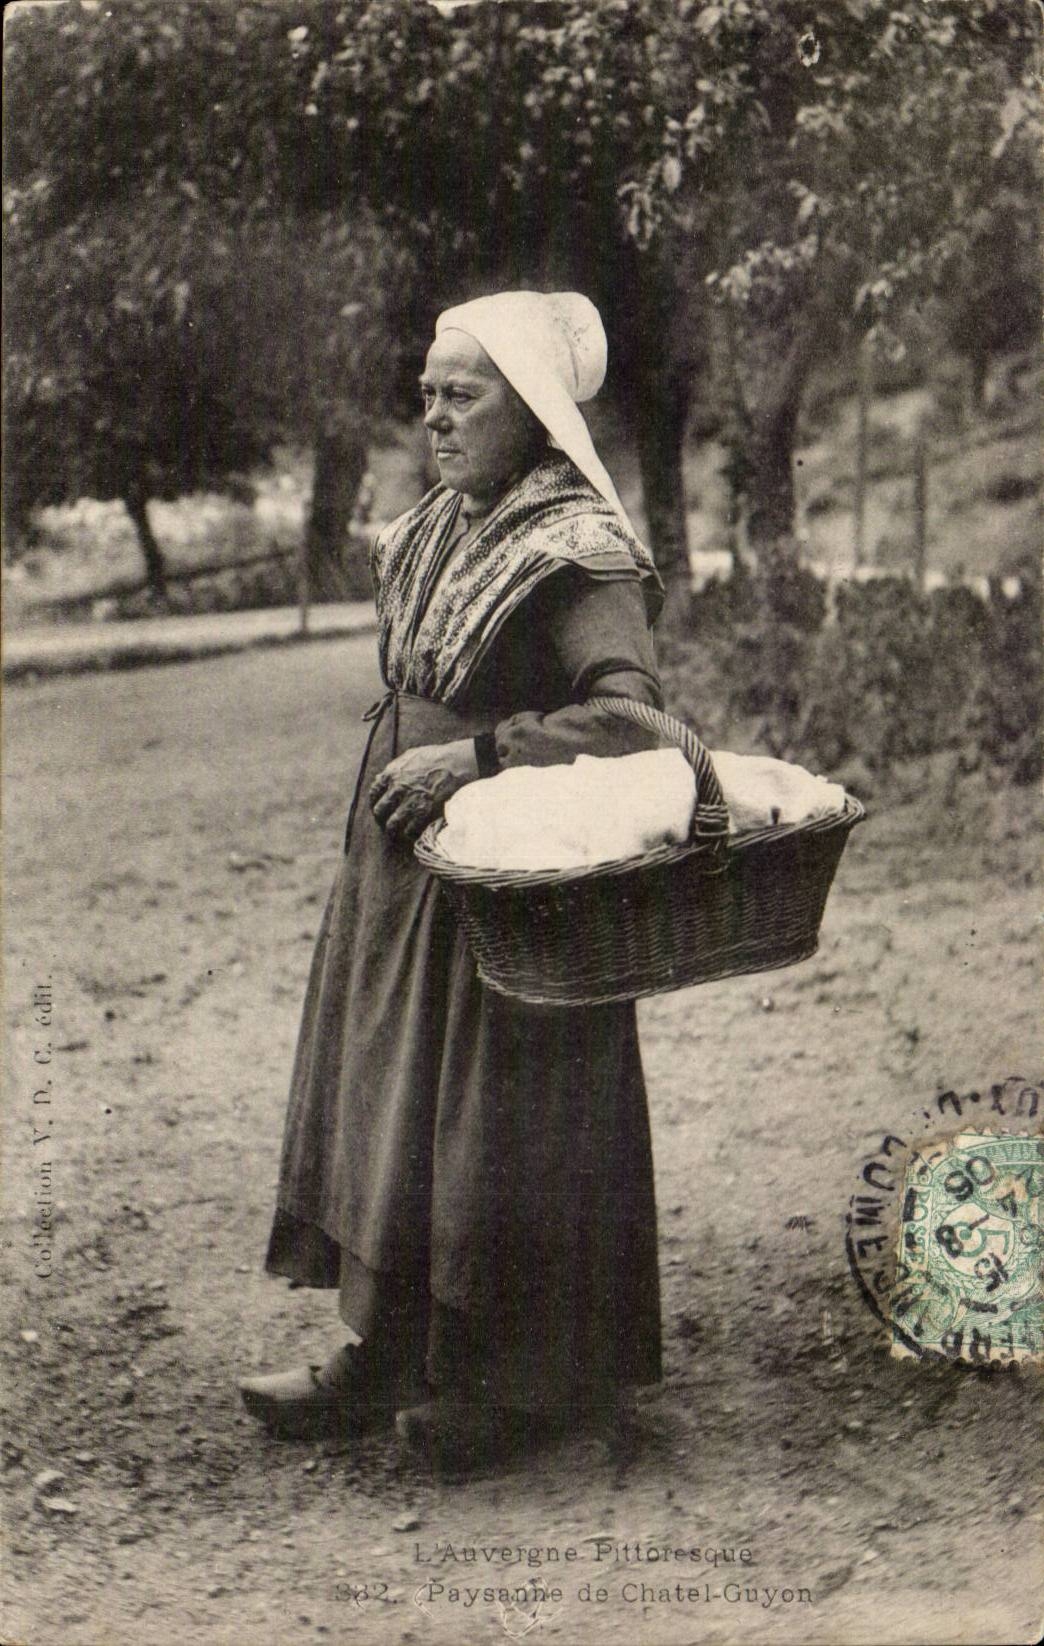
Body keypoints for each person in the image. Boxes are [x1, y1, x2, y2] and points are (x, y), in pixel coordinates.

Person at [240, 290, 668, 1478]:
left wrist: (475, 755)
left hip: (509, 888)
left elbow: (634, 720)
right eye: (427, 393)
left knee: (494, 1124)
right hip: (402, 873)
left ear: (530, 409)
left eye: (461, 395)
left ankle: (516, 1385)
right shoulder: (440, 525)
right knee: (392, 1102)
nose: (434, 416)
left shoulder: (574, 548)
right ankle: (386, 1352)